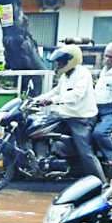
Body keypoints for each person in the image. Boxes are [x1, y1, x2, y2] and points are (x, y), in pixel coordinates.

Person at [35, 44, 104, 181]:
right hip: (64, 115)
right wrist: (37, 99)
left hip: (81, 118)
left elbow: (76, 95)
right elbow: (55, 91)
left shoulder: (83, 73)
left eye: (61, 61)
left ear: (71, 60)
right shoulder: (65, 75)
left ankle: (102, 183)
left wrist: (52, 101)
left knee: (85, 152)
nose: (58, 64)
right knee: (38, 130)